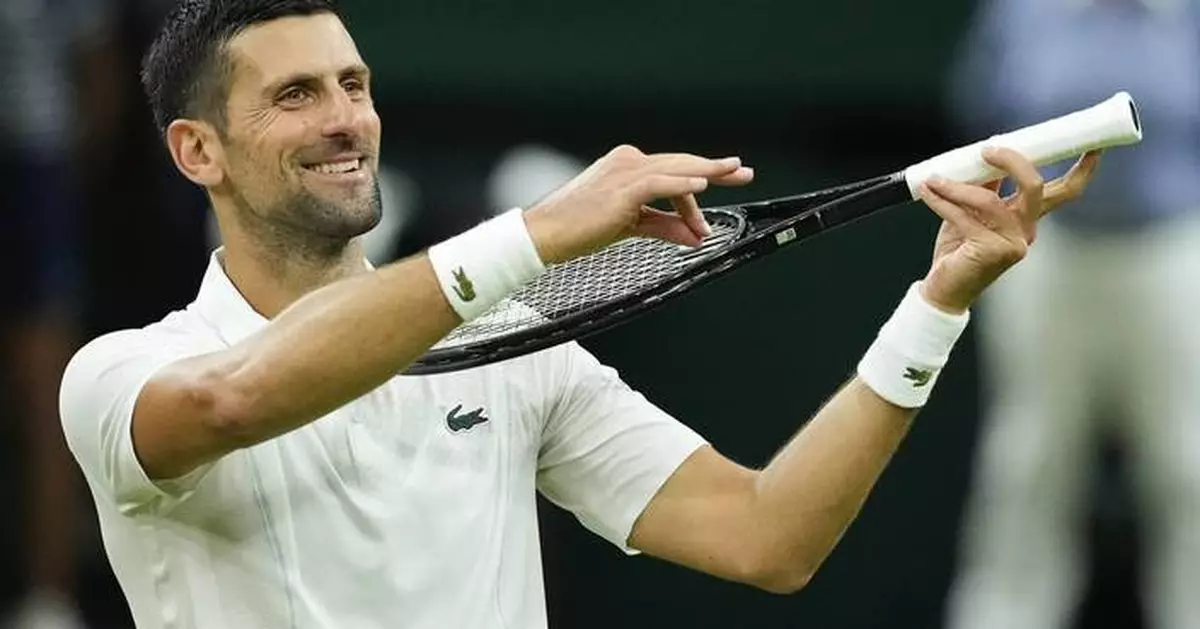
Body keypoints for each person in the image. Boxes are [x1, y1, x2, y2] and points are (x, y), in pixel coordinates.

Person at [57, 1, 1102, 627]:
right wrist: (535, 233)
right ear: (198, 151)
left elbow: (768, 533)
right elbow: (235, 399)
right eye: (295, 96)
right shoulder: (124, 373)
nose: (344, 120)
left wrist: (936, 302)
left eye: (355, 83)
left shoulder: (513, 353)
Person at [942, 2, 1200, 628]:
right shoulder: (1022, 12)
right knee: (1031, 460)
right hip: (1047, 254)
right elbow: (979, 112)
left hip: (1174, 251)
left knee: (1188, 463)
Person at [0, 0, 121, 627]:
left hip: (34, 162)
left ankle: (50, 600)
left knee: (44, 384)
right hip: (40, 166)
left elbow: (97, 68)